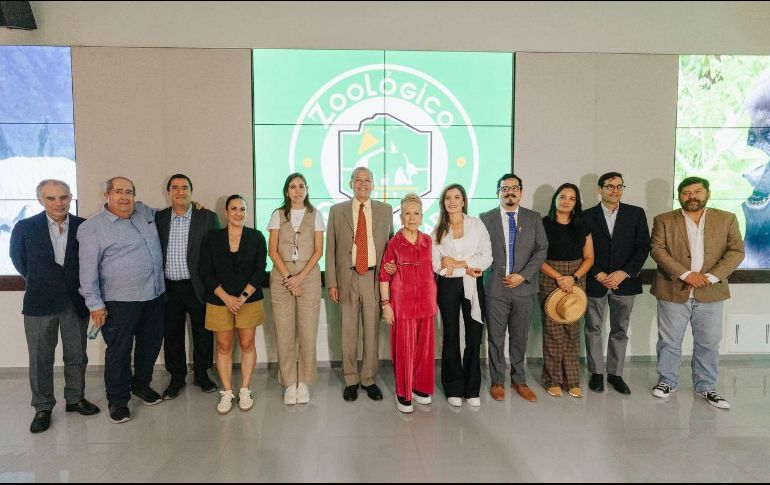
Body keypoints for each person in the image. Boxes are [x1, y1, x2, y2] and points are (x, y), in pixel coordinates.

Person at [10, 179, 100, 433]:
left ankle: (75, 398)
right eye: (51, 198)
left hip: (75, 302)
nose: (58, 203)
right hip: (40, 302)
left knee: (76, 355)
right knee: (40, 358)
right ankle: (43, 407)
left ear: (70, 198)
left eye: (63, 197)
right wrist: (43, 282)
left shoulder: (84, 227)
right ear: (40, 200)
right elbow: (20, 261)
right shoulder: (26, 227)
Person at [650, 176, 744, 409]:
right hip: (673, 289)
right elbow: (657, 250)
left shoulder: (726, 219)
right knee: (670, 341)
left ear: (707, 194)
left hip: (711, 291)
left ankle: (706, 386)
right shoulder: (663, 220)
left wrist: (709, 277)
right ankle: (667, 381)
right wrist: (685, 274)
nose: (692, 196)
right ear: (679, 196)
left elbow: (736, 251)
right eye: (686, 193)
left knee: (709, 343)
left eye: (697, 192)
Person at [78, 177, 166, 424]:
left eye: (129, 192)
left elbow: (170, 213)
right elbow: (87, 272)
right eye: (119, 192)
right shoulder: (92, 228)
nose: (125, 197)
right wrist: (95, 305)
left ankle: (141, 386)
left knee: (149, 346)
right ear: (107, 194)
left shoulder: (144, 212)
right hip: (119, 303)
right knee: (119, 352)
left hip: (155, 296)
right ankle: (117, 400)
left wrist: (194, 205)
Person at [326, 167, 393, 402]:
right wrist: (332, 282)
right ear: (351, 183)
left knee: (372, 331)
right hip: (347, 277)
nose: (363, 184)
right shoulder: (337, 211)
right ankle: (351, 379)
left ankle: (369, 379)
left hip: (374, 278)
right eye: (358, 180)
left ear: (373, 184)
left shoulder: (385, 211)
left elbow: (391, 247)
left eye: (367, 180)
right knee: (348, 331)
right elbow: (331, 248)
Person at [480, 174, 548, 403]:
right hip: (495, 288)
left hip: (524, 289)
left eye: (514, 188)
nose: (510, 191)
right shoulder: (485, 218)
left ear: (521, 191)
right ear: (497, 192)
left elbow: (541, 250)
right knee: (496, 338)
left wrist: (523, 276)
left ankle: (519, 380)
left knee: (519, 337)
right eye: (504, 188)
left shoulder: (533, 218)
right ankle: (498, 381)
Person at [582, 172, 650, 395]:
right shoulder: (585, 216)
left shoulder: (636, 214)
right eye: (609, 186)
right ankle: (596, 373)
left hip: (625, 283)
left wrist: (625, 273)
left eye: (619, 186)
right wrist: (597, 273)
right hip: (595, 281)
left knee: (620, 329)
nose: (615, 190)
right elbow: (579, 250)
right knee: (593, 328)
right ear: (599, 189)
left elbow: (643, 247)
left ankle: (615, 373)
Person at [199, 195, 267, 414]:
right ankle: (227, 392)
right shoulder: (212, 238)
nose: (238, 213)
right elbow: (206, 271)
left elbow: (259, 270)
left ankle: (245, 389)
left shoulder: (256, 237)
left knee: (247, 344)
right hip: (219, 300)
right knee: (224, 346)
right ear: (226, 212)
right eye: (234, 209)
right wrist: (227, 298)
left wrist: (243, 296)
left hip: (249, 300)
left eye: (242, 209)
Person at [155, 174, 220, 399]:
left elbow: (216, 254)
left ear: (191, 191)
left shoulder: (207, 217)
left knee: (203, 333)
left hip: (198, 287)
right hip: (169, 288)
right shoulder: (159, 218)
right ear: (169, 192)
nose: (180, 192)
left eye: (185, 188)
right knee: (172, 335)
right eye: (175, 188)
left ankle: (202, 374)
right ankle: (177, 378)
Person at [433, 184, 492, 407]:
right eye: (448, 198)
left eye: (457, 197)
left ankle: (471, 388)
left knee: (474, 336)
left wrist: (459, 264)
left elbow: (486, 258)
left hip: (473, 284)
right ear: (443, 202)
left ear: (464, 201)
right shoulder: (437, 229)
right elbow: (438, 265)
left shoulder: (476, 225)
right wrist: (465, 267)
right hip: (448, 286)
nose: (452, 201)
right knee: (451, 336)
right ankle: (453, 387)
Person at [267, 173, 324, 405]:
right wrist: (290, 277)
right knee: (284, 332)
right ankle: (289, 382)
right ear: (286, 191)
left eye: (301, 186)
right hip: (282, 277)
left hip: (308, 278)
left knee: (308, 333)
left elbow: (318, 251)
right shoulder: (277, 215)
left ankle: (305, 382)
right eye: (293, 187)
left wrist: (300, 278)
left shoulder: (316, 215)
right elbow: (273, 250)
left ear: (307, 190)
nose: (297, 191)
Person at [379, 193, 437, 413]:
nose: (412, 217)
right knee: (405, 351)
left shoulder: (429, 241)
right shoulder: (394, 243)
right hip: (402, 305)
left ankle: (420, 387)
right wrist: (386, 305)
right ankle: (403, 392)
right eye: (407, 213)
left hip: (427, 303)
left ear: (422, 216)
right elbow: (384, 275)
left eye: (416, 213)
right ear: (400, 216)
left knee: (424, 350)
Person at [539, 183, 594, 399]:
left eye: (572, 198)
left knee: (572, 332)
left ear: (576, 203)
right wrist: (559, 277)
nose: (566, 201)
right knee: (553, 332)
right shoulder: (543, 224)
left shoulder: (583, 225)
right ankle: (552, 379)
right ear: (555, 199)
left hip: (576, 278)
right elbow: (538, 257)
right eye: (563, 196)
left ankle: (572, 380)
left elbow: (589, 257)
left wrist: (573, 277)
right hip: (550, 277)